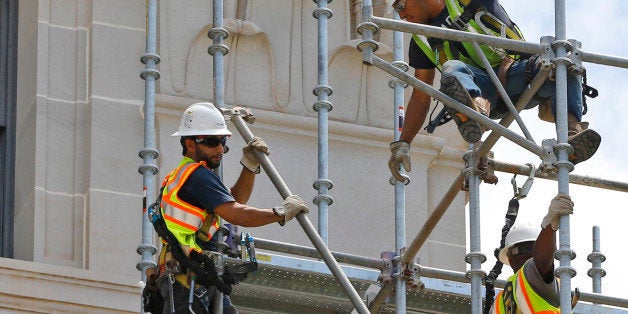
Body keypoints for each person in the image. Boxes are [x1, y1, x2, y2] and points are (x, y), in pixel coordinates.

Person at [386, 0, 602, 183]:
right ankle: (475, 112)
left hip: (518, 77)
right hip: (484, 97)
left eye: (401, 3)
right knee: (451, 69)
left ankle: (571, 136)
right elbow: (421, 96)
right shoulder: (421, 40)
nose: (401, 13)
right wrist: (403, 144)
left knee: (563, 59)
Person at [143, 102, 310, 313]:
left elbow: (233, 202)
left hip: (200, 275)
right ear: (190, 144)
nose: (220, 149)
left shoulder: (195, 175)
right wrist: (279, 214)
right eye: (212, 142)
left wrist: (249, 166)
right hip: (187, 279)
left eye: (222, 141)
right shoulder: (197, 175)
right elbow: (235, 213)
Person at [489, 193, 573, 313]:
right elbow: (541, 261)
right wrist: (550, 224)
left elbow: (541, 260)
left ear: (510, 258)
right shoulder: (527, 277)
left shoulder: (499, 303)